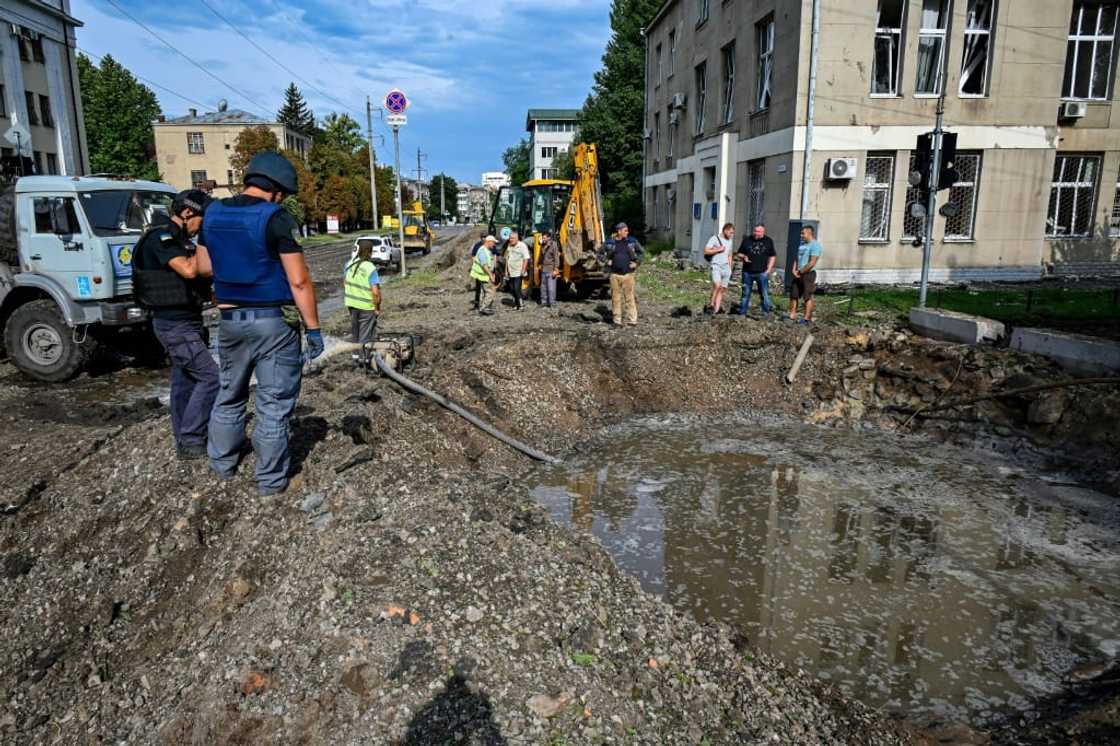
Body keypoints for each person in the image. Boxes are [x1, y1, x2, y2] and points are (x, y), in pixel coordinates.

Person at [196, 151, 323, 496]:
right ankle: (269, 482)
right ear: (277, 190)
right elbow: (299, 281)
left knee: (230, 393)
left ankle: (222, 466)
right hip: (272, 324)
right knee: (273, 402)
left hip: (230, 320)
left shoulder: (213, 213)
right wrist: (313, 329)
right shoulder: (275, 218)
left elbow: (204, 267)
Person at [132, 189, 218, 460]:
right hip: (173, 325)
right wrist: (209, 244)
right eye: (201, 222)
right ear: (188, 213)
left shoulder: (183, 242)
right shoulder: (160, 238)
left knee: (185, 381)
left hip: (189, 321)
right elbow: (190, 270)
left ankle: (185, 439)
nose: (200, 229)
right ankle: (192, 438)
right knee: (210, 377)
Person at [343, 241, 382, 369]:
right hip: (366, 306)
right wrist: (377, 308)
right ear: (370, 251)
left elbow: (345, 283)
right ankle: (363, 361)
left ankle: (355, 356)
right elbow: (375, 292)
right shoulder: (370, 268)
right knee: (365, 334)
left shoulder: (349, 264)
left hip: (352, 304)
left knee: (356, 332)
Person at [604, 222, 644, 327]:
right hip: (614, 275)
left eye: (627, 230)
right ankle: (617, 320)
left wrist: (636, 263)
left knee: (629, 297)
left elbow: (641, 252)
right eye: (625, 230)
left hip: (628, 275)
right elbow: (599, 253)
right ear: (619, 231)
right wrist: (606, 261)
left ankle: (632, 320)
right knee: (615, 298)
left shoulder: (632, 241)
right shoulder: (609, 243)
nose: (627, 232)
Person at [736, 223, 777, 316]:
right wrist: (744, 257)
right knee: (745, 294)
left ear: (763, 231)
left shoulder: (768, 241)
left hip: (762, 272)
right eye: (754, 231)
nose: (755, 233)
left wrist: (768, 270)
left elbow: (772, 256)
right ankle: (742, 313)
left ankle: (766, 313)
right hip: (747, 272)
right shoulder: (747, 240)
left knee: (764, 294)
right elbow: (739, 253)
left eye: (758, 231)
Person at [789, 224, 822, 324]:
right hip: (798, 273)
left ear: (809, 233)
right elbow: (796, 258)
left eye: (803, 233)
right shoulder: (802, 245)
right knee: (793, 294)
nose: (801, 235)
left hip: (808, 274)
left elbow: (812, 262)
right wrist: (794, 270)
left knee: (807, 296)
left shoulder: (815, 245)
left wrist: (801, 271)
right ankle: (792, 315)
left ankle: (806, 318)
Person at [703, 223, 735, 315]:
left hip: (726, 268)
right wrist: (718, 249)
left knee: (722, 290)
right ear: (725, 230)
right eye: (730, 233)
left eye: (733, 233)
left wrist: (730, 267)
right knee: (717, 285)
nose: (731, 235)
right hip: (716, 265)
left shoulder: (730, 241)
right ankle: (711, 305)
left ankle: (716, 312)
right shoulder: (714, 238)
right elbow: (706, 250)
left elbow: (729, 254)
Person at [471, 235, 499, 315]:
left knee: (484, 292)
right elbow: (484, 265)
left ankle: (484, 307)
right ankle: (484, 308)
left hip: (483, 275)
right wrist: (490, 275)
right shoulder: (482, 251)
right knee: (490, 291)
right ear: (489, 242)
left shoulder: (486, 250)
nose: (494, 245)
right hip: (484, 275)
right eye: (493, 243)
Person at [505, 230, 530, 311]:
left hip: (518, 271)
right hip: (511, 271)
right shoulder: (509, 246)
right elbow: (507, 258)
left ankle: (521, 305)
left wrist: (523, 270)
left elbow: (526, 259)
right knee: (512, 289)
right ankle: (516, 304)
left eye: (512, 238)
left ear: (517, 238)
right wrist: (506, 270)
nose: (510, 240)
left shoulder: (522, 246)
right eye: (510, 238)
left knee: (516, 288)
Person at [539, 231, 560, 308]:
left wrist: (556, 269)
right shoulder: (542, 245)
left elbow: (556, 258)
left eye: (544, 238)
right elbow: (541, 257)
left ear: (549, 238)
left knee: (551, 288)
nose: (543, 239)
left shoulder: (553, 245)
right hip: (544, 269)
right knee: (543, 288)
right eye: (542, 238)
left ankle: (552, 304)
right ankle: (544, 302)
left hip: (551, 270)